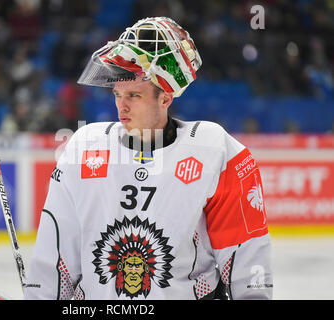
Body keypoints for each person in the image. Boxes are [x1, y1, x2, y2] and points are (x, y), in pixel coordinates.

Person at [25, 17, 273, 300]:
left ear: (165, 98)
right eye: (117, 94)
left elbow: (246, 258)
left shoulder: (216, 151)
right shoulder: (82, 148)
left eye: (134, 95)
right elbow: (56, 255)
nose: (122, 105)